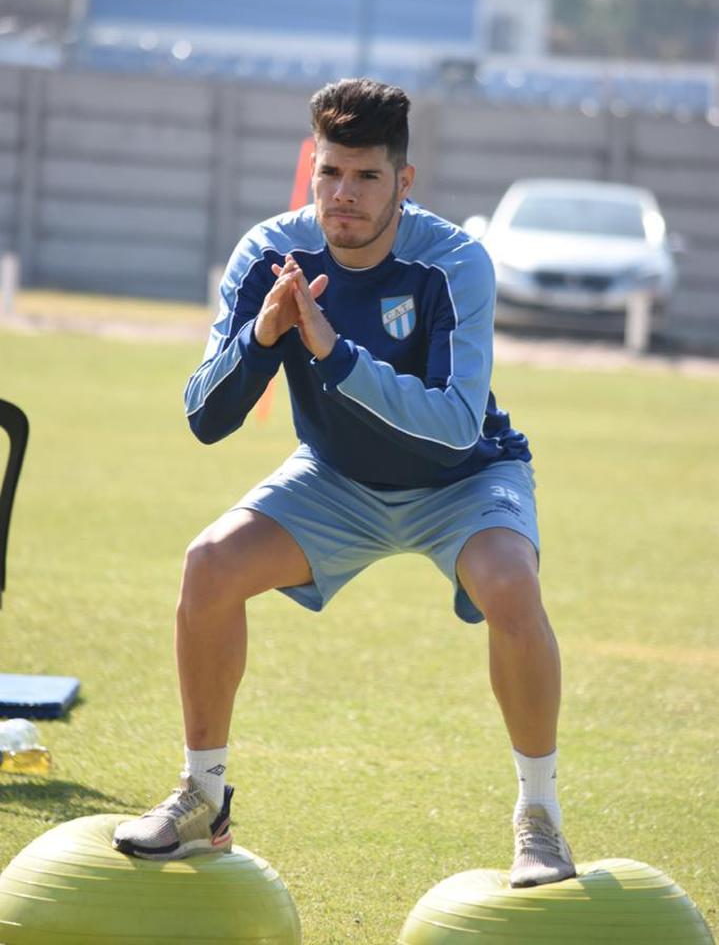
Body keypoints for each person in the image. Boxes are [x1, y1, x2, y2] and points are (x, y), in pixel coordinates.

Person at [113, 78, 575, 888]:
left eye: (365, 177)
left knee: (509, 585)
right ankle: (202, 794)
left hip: (462, 480)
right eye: (329, 173)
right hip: (335, 478)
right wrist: (263, 336)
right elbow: (204, 417)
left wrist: (336, 356)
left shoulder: (454, 261)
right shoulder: (268, 253)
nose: (343, 195)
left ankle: (538, 818)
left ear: (404, 180)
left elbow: (455, 425)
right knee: (208, 565)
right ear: (311, 169)